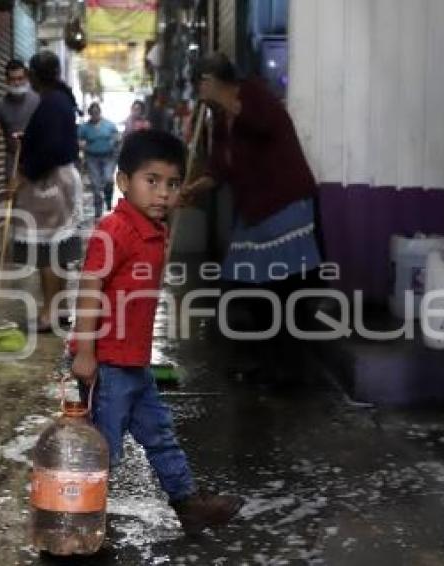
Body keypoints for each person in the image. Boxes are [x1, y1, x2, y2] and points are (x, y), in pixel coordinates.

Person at [71, 130, 243, 535]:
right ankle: (80, 521)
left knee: (161, 435)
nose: (162, 193)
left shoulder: (157, 229)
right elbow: (90, 288)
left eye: (172, 183)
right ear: (122, 182)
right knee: (105, 451)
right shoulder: (113, 230)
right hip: (107, 364)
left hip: (135, 363)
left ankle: (189, 506)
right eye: (152, 181)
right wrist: (83, 351)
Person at [182, 52, 323, 383]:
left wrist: (224, 101)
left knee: (282, 291)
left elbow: (263, 126)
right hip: (254, 212)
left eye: (201, 83)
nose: (199, 91)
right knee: (244, 288)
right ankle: (262, 360)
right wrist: (193, 189)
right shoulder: (218, 119)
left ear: (213, 82)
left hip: (283, 206)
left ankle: (286, 369)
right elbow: (219, 170)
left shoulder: (256, 96)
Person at [10, 51, 83, 332]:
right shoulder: (59, 100)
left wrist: (24, 175)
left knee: (49, 250)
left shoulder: (52, 102)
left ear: (35, 75)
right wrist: (28, 139)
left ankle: (49, 312)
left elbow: (52, 147)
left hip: (50, 183)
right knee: (59, 249)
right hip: (60, 179)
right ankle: (60, 309)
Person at [0, 59, 40, 186]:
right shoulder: (0, 106)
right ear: (6, 80)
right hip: (13, 160)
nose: (17, 83)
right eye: (12, 79)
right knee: (14, 198)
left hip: (37, 159)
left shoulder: (38, 100)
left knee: (37, 201)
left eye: (20, 78)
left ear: (26, 79)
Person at [78, 102, 119, 217]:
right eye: (92, 113)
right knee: (96, 185)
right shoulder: (84, 127)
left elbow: (117, 136)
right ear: (90, 114)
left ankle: (108, 199)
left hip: (108, 157)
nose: (95, 114)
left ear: (100, 112)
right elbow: (79, 140)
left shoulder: (109, 125)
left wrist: (114, 141)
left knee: (108, 179)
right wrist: (82, 145)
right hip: (92, 158)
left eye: (97, 112)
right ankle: (98, 210)